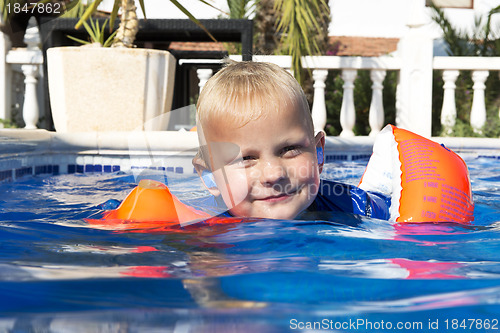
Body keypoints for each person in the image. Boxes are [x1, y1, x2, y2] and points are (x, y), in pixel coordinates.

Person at [192, 60, 390, 220]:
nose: (274, 174)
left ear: (318, 153)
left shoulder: (356, 207)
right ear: (210, 175)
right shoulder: (200, 231)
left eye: (289, 149)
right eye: (246, 158)